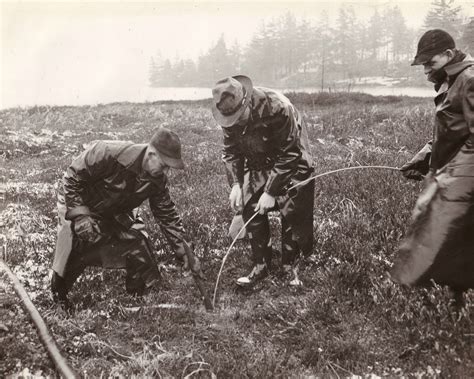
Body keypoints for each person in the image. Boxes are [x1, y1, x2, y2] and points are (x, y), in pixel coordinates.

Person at [51, 126, 201, 308]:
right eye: (164, 166)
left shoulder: (157, 179)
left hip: (114, 208)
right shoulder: (107, 151)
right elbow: (72, 177)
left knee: (137, 240)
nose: (166, 173)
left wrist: (182, 249)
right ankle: (58, 293)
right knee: (75, 243)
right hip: (79, 201)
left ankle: (137, 296)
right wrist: (80, 216)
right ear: (151, 153)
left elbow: (166, 213)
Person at [391, 29, 474, 303]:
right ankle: (455, 303)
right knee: (454, 240)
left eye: (430, 62)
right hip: (453, 177)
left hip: (464, 180)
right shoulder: (451, 81)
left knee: (449, 235)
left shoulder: (470, 80)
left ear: (449, 54)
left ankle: (455, 305)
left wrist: (450, 176)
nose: (426, 69)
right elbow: (450, 131)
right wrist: (425, 157)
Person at [211, 75, 315, 286]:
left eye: (239, 117)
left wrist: (271, 192)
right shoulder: (227, 112)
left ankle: (290, 265)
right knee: (249, 202)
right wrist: (236, 184)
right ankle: (261, 265)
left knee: (293, 204)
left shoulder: (278, 107)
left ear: (246, 101)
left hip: (293, 155)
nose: (234, 123)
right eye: (230, 120)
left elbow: (290, 153)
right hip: (258, 156)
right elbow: (231, 152)